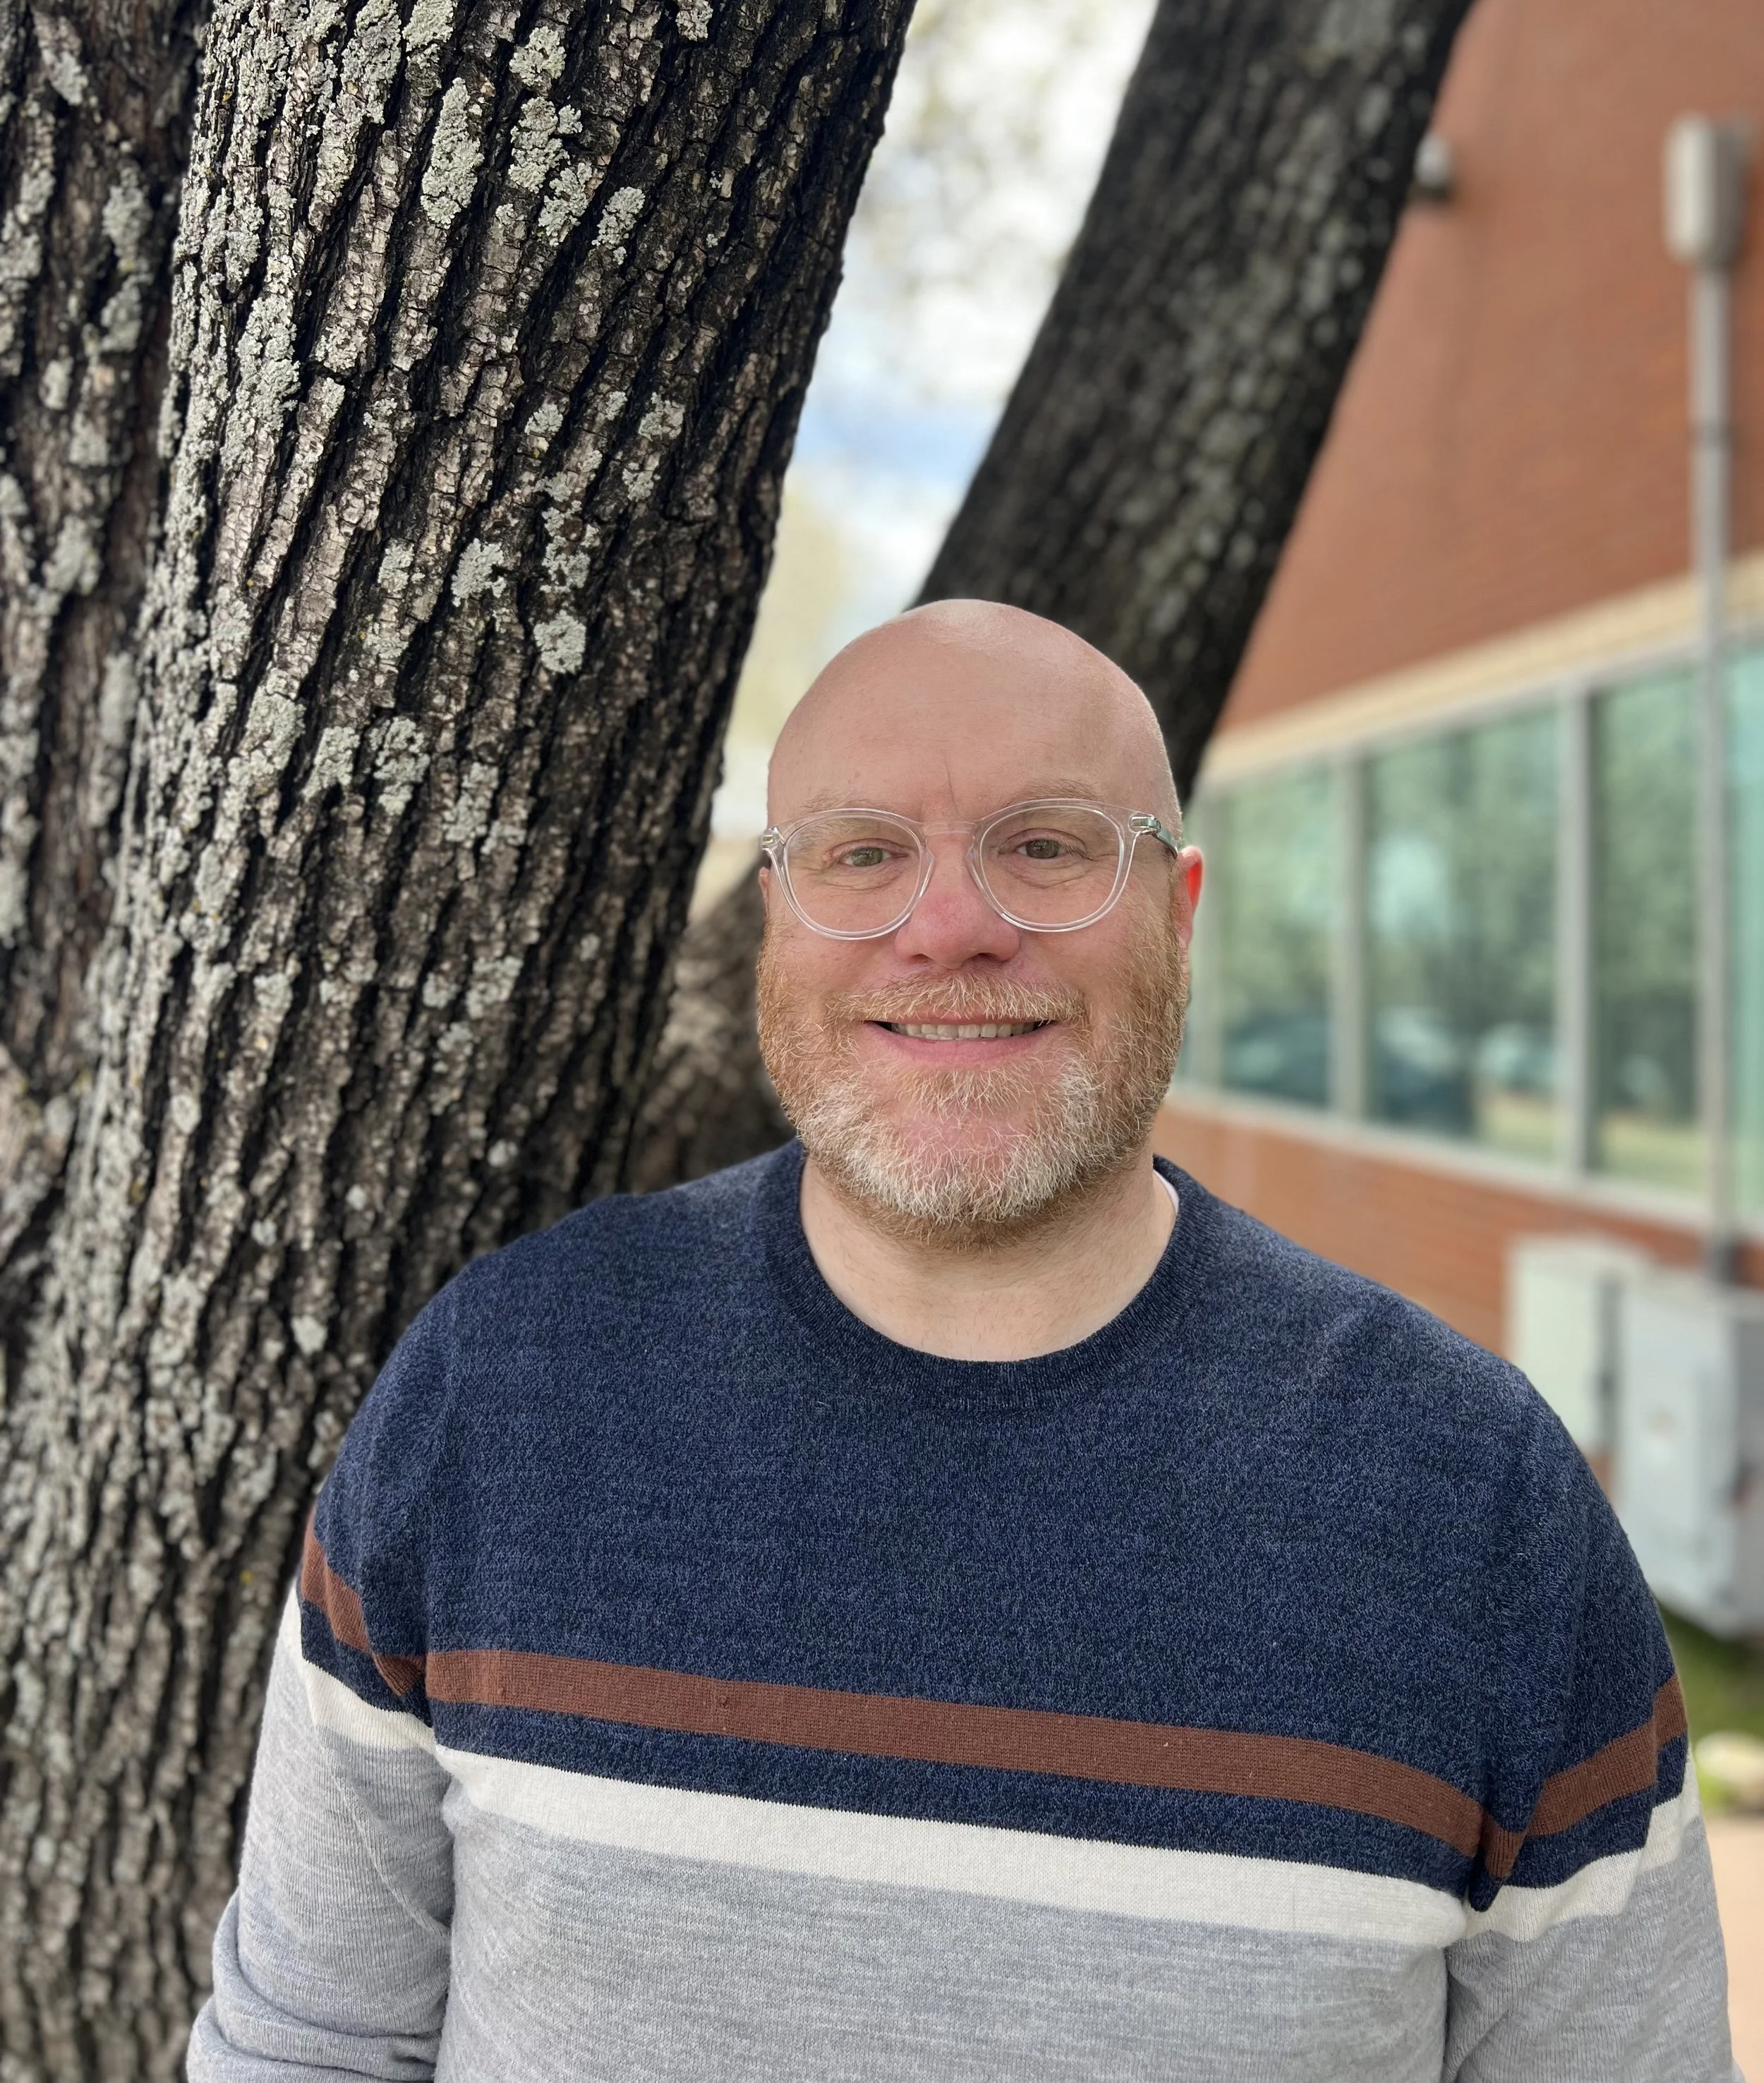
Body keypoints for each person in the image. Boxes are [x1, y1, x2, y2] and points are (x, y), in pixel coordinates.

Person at [190, 602, 1737, 2081]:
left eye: (1046, 847)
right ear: (773, 919)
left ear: (1177, 915)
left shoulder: (1472, 1499)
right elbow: (307, 2044)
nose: (948, 927)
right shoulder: (498, 1391)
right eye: (860, 854)